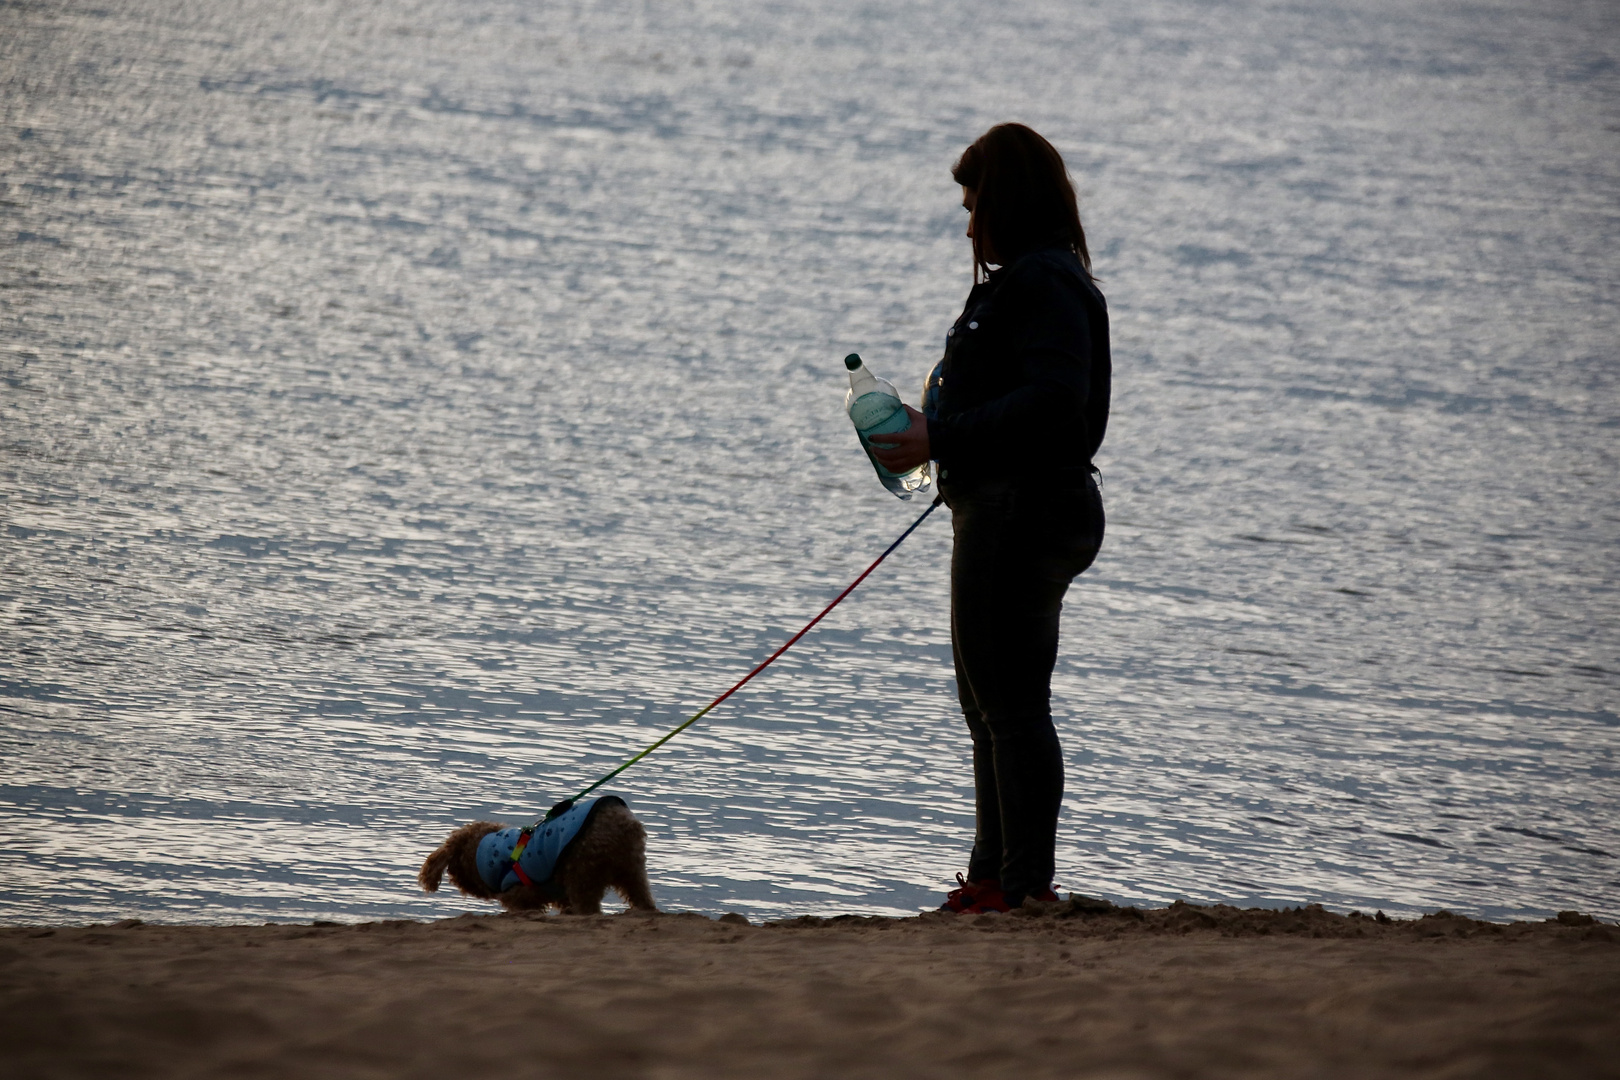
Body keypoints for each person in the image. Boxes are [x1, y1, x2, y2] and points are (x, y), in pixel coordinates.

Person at [871, 123, 1110, 914]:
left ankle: (1016, 887)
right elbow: (1027, 398)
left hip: (1022, 512)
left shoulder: (1043, 283)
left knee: (1006, 707)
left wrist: (940, 434)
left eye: (975, 205)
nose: (969, 224)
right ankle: (996, 879)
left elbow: (1057, 400)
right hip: (1018, 506)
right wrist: (934, 433)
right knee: (993, 705)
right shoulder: (1042, 279)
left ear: (1008, 201)